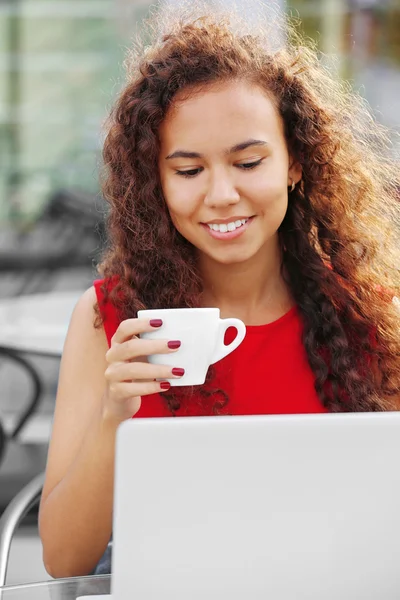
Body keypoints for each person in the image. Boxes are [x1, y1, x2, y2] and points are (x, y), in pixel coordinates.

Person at [38, 1, 400, 578]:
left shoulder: (370, 318)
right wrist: (114, 418)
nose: (222, 194)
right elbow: (63, 560)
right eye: (188, 171)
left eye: (248, 161)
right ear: (155, 182)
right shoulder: (108, 319)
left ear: (294, 163)